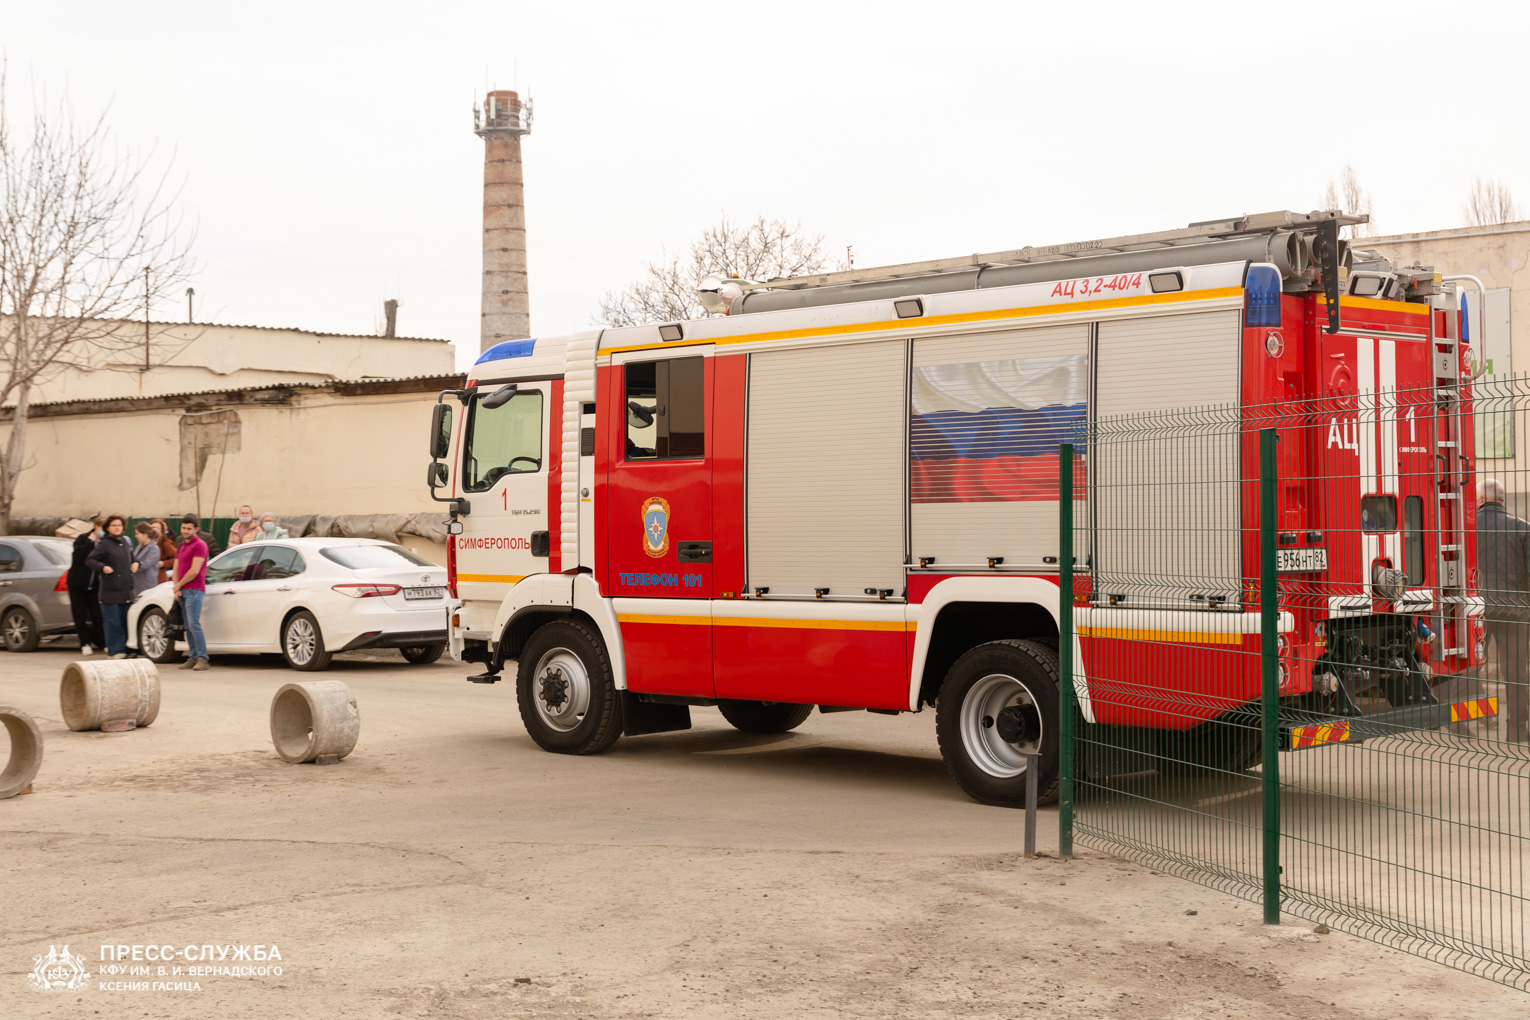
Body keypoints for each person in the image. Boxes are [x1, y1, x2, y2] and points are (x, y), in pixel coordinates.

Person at [1477, 477, 1530, 744]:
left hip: (1476, 609)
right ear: (1502, 500)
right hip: (1514, 609)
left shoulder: (1465, 529)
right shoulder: (1523, 528)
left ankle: (1465, 721)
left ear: (1480, 500)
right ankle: (1516, 730)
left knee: (1468, 665)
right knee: (1516, 670)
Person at [86, 515, 137, 659]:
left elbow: (132, 558)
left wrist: (136, 563)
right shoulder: (104, 544)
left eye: (119, 525)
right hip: (111, 590)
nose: (117, 528)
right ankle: (116, 650)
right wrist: (103, 567)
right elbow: (90, 560)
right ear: (108, 528)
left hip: (126, 589)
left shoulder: (125, 542)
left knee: (126, 620)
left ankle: (129, 649)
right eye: (114, 525)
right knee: (113, 622)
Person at [173, 513, 211, 670]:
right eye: (183, 528)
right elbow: (176, 567)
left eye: (189, 528)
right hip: (182, 590)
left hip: (195, 590)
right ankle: (192, 656)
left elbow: (194, 571)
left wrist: (179, 584)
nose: (185, 531)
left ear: (196, 529)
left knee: (194, 624)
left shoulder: (200, 545)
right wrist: (176, 587)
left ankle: (203, 658)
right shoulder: (181, 545)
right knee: (187, 626)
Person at [66, 517, 106, 654]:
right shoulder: (83, 539)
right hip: (77, 583)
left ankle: (102, 642)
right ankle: (85, 643)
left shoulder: (106, 542)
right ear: (96, 527)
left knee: (97, 615)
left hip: (95, 585)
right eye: (102, 529)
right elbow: (77, 556)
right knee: (79, 615)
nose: (104, 532)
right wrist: (91, 542)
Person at [131, 522, 160, 600]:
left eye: (137, 534)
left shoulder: (154, 549)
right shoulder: (139, 547)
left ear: (145, 535)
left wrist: (136, 565)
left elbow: (146, 564)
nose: (135, 536)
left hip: (146, 586)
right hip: (137, 586)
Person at [151, 518, 177, 584]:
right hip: (147, 579)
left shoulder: (165, 543)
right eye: (153, 527)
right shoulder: (144, 543)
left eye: (158, 528)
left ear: (162, 531)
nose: (155, 529)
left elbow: (177, 557)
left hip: (159, 579)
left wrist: (163, 563)